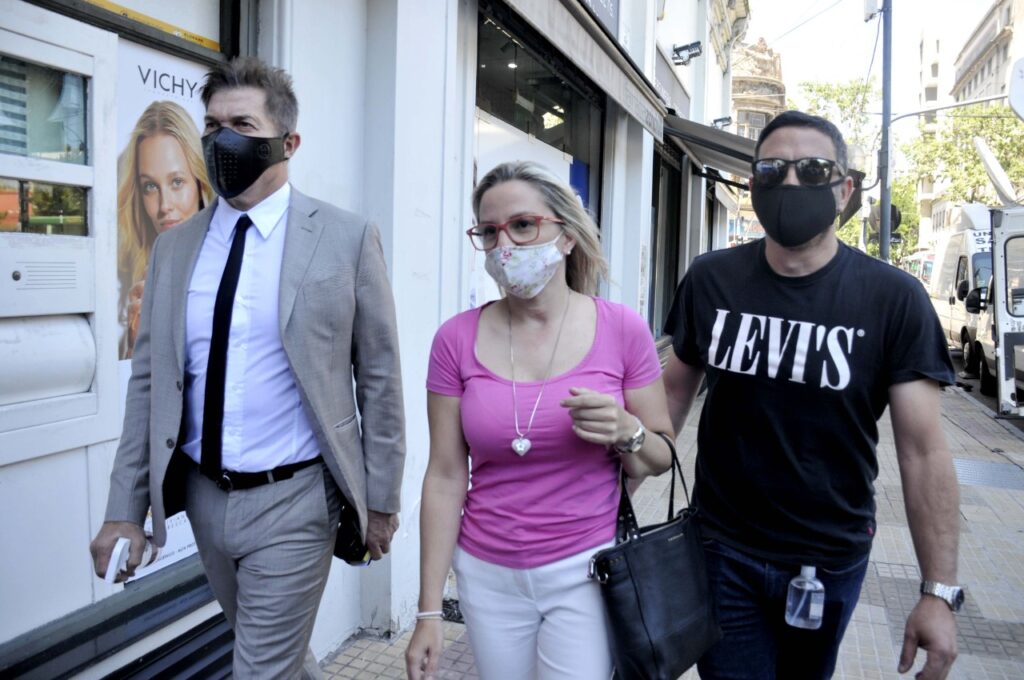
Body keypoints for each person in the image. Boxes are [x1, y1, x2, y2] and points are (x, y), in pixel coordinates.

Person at [90, 57, 406, 679]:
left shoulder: (345, 238)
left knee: (259, 667)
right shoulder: (175, 247)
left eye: (241, 125)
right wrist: (124, 506)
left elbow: (380, 378)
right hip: (204, 499)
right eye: (211, 126)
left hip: (296, 501)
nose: (221, 141)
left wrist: (382, 500)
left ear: (288, 142)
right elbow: (149, 383)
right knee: (274, 655)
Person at [662, 110, 961, 680]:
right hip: (721, 550)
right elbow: (672, 398)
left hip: (830, 559)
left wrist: (938, 592)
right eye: (772, 170)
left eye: (814, 170)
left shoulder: (894, 299)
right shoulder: (710, 278)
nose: (791, 182)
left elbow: (923, 453)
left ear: (844, 190)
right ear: (752, 186)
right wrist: (614, 501)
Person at [405, 161, 675, 680]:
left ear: (567, 236)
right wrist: (428, 612)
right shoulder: (455, 339)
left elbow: (661, 455)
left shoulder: (621, 328)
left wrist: (628, 431)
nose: (505, 245)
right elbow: (444, 476)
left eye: (523, 225)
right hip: (485, 573)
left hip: (586, 568)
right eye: (490, 232)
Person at [117, 100, 213, 359]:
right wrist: (136, 341)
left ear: (201, 182)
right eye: (150, 186)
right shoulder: (139, 275)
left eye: (177, 182)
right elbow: (138, 378)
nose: (164, 206)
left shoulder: (229, 260)